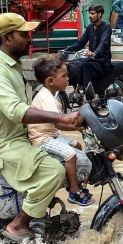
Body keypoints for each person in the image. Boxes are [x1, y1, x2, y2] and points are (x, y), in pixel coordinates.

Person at [0, 13, 86, 244]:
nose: (30, 38)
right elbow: (17, 111)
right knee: (54, 171)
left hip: (19, 139)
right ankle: (19, 225)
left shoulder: (13, 66)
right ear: (7, 38)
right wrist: (62, 118)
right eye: (24, 34)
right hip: (3, 144)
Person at [29, 54, 95, 206]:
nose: (67, 78)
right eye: (64, 76)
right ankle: (73, 190)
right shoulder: (46, 98)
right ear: (50, 81)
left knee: (77, 145)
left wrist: (79, 126)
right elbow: (59, 123)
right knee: (71, 154)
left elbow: (58, 124)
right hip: (42, 139)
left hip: (52, 135)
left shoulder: (52, 95)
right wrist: (76, 126)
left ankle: (73, 182)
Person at [63, 3, 111, 100]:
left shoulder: (106, 27)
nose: (90, 16)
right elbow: (81, 43)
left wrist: (95, 53)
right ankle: (76, 90)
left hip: (102, 61)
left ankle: (92, 96)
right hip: (92, 59)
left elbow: (104, 42)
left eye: (93, 14)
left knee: (85, 66)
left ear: (99, 14)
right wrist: (66, 50)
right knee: (74, 64)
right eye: (90, 13)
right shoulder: (89, 28)